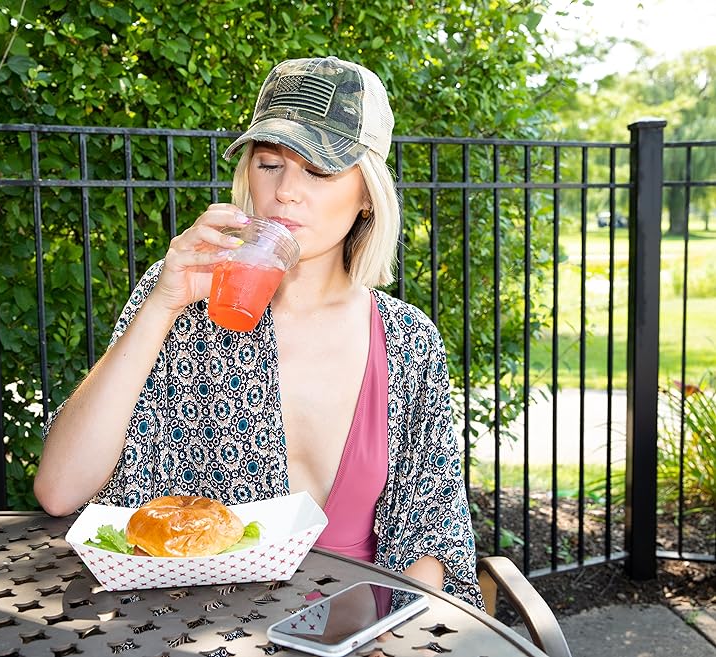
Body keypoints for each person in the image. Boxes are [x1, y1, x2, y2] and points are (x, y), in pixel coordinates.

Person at [35, 55, 483, 608]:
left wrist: (386, 634)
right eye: (270, 164)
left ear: (367, 194)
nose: (286, 191)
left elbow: (433, 534)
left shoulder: (408, 340)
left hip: (353, 631)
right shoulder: (180, 297)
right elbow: (59, 490)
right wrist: (160, 307)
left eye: (319, 169)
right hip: (188, 623)